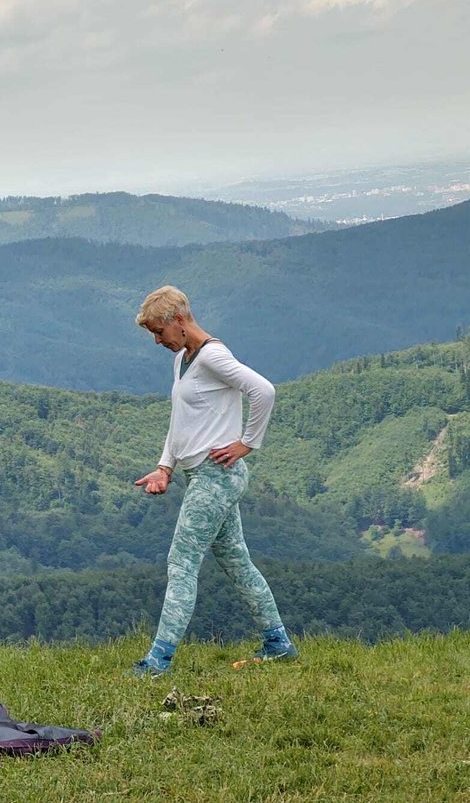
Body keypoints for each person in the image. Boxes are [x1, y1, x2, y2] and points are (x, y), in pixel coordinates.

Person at [131, 286, 297, 676]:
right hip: (201, 475)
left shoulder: (213, 356)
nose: (157, 341)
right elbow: (181, 421)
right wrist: (165, 467)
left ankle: (157, 661)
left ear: (179, 320)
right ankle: (278, 643)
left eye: (159, 331)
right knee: (237, 562)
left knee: (182, 562)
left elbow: (263, 390)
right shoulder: (184, 359)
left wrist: (247, 444)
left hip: (216, 476)